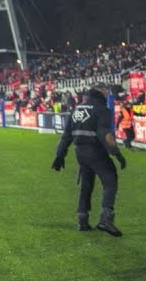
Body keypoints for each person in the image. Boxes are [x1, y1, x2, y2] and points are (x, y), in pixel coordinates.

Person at [51, 87, 126, 237]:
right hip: (96, 151)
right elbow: (104, 134)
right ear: (101, 96)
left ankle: (82, 219)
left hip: (80, 152)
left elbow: (66, 135)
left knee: (86, 184)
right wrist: (117, 154)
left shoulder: (76, 110)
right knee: (110, 181)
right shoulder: (102, 110)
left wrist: (60, 155)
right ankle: (106, 218)